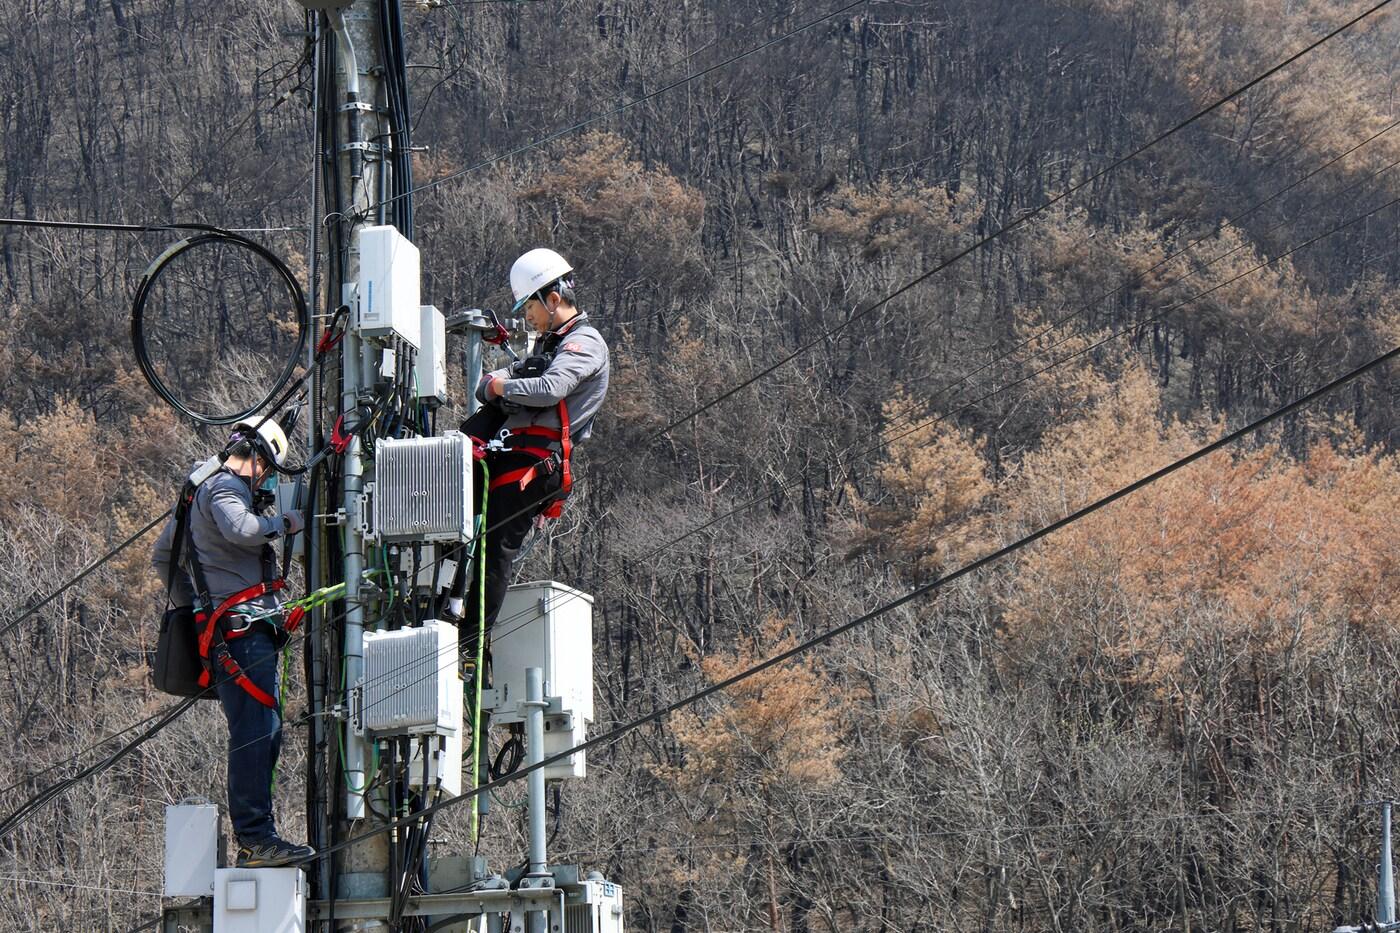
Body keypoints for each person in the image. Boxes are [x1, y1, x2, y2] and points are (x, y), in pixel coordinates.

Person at [152, 418, 313, 868]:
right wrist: (285, 521)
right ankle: (256, 838)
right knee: (256, 733)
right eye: (267, 472)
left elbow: (164, 555)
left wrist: (196, 606)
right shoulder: (224, 486)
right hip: (240, 633)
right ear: (258, 460)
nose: (265, 480)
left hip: (234, 630)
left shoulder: (198, 488)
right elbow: (241, 529)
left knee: (263, 731)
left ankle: (258, 836)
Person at [454, 247, 610, 643]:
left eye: (530, 308)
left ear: (553, 299)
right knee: (442, 501)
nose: (527, 317)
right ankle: (446, 603)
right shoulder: (545, 349)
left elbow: (550, 388)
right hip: (507, 452)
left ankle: (472, 642)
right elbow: (484, 384)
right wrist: (500, 386)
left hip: (534, 464)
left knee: (495, 545)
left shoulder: (585, 343)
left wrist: (504, 388)